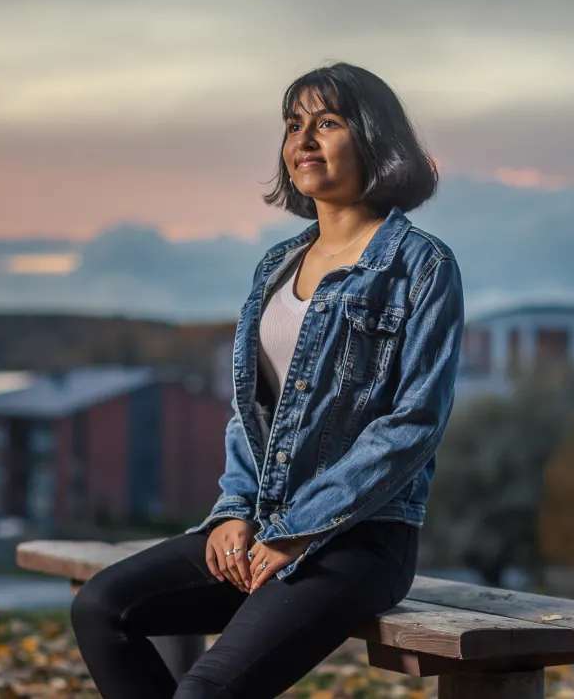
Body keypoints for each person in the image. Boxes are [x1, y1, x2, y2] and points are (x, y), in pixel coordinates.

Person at [69, 62, 465, 699]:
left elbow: (413, 425)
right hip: (260, 527)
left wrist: (298, 531)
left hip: (359, 541)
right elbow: (250, 411)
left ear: (374, 139)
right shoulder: (278, 265)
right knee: (102, 607)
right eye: (292, 125)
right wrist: (232, 511)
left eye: (327, 123)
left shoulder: (422, 266)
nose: (302, 140)